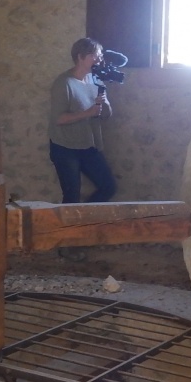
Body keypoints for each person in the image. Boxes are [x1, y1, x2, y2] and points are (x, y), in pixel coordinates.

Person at [49, 37, 117, 261]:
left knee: (107, 186)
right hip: (65, 146)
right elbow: (58, 119)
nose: (99, 59)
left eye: (99, 55)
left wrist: (104, 104)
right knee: (71, 195)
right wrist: (88, 113)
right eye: (94, 55)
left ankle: (83, 224)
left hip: (89, 145)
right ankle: (66, 242)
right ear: (80, 57)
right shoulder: (64, 83)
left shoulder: (95, 79)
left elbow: (105, 115)